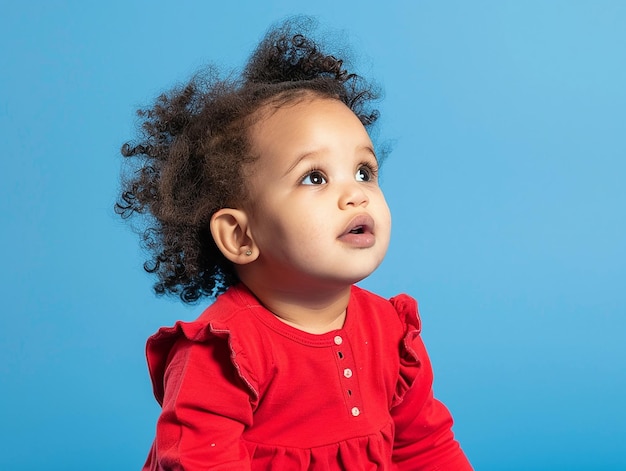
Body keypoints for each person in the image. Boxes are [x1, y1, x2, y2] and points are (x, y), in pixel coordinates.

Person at [117, 17, 473, 471]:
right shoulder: (224, 351)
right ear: (241, 236)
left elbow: (425, 450)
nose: (356, 193)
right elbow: (201, 461)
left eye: (364, 171)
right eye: (315, 177)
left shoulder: (391, 334)